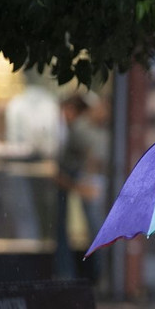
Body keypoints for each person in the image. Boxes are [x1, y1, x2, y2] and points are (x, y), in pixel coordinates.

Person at [54, 93, 106, 280]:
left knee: (95, 229)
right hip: (85, 183)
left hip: (87, 184)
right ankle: (98, 273)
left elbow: (96, 156)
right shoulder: (84, 128)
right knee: (95, 229)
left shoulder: (81, 128)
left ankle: (98, 273)